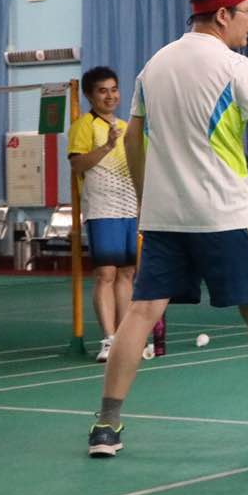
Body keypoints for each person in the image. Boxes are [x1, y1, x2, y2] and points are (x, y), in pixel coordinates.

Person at [86, 0, 248, 457]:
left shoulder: (154, 66)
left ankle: (106, 426)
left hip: (164, 219)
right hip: (225, 216)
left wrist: (147, 200)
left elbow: (133, 138)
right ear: (223, 14)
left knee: (140, 313)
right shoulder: (236, 66)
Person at [68, 66, 153, 362]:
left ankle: (125, 338)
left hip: (129, 206)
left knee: (127, 273)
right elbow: (77, 165)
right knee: (106, 273)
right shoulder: (84, 126)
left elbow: (140, 166)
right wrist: (108, 146)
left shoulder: (128, 127)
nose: (110, 96)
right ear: (90, 95)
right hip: (102, 207)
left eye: (114, 90)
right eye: (102, 91)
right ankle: (109, 339)